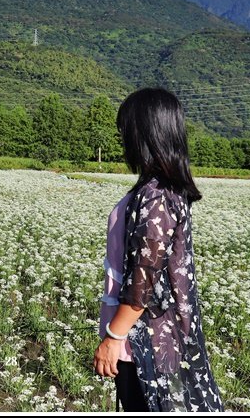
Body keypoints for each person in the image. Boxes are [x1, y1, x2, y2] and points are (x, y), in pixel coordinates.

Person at [92, 88, 224, 412]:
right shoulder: (164, 190)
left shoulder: (156, 196)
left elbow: (142, 281)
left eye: (126, 131)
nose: (123, 140)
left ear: (145, 133)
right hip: (156, 340)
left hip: (144, 343)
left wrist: (112, 338)